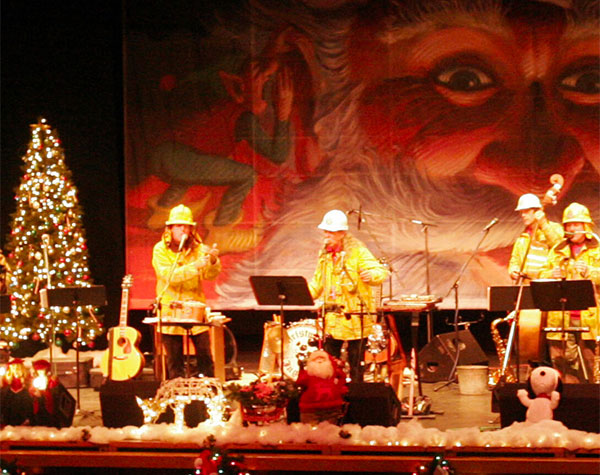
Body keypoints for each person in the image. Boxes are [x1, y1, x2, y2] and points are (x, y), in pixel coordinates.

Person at [308, 209, 388, 382]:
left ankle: (356, 396)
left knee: (355, 362)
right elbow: (318, 281)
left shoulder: (358, 251)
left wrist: (371, 275)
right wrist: (304, 294)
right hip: (333, 317)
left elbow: (379, 271)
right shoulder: (325, 254)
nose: (327, 235)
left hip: (355, 317)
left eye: (331, 231)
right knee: (330, 361)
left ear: (342, 233)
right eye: (326, 231)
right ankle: (331, 393)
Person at [152, 204, 221, 379]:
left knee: (205, 355)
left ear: (192, 229)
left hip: (195, 309)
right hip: (170, 310)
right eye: (178, 226)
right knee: (174, 359)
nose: (183, 229)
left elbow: (209, 276)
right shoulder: (160, 249)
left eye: (186, 226)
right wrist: (195, 266)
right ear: (169, 228)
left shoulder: (198, 249)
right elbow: (169, 276)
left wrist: (213, 261)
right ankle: (175, 394)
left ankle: (207, 392)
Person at [540, 203, 600, 383]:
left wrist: (591, 272)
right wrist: (551, 275)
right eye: (569, 225)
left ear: (586, 226)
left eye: (576, 224)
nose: (572, 229)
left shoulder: (597, 249)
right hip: (560, 317)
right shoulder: (556, 251)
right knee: (561, 362)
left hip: (589, 317)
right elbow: (542, 274)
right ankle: (566, 400)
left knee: (591, 362)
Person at [508, 193, 563, 283]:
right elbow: (514, 260)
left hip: (549, 283)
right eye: (521, 212)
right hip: (527, 285)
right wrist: (513, 270)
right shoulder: (523, 238)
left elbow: (559, 246)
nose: (523, 215)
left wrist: (544, 224)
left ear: (537, 211)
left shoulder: (554, 228)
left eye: (526, 211)